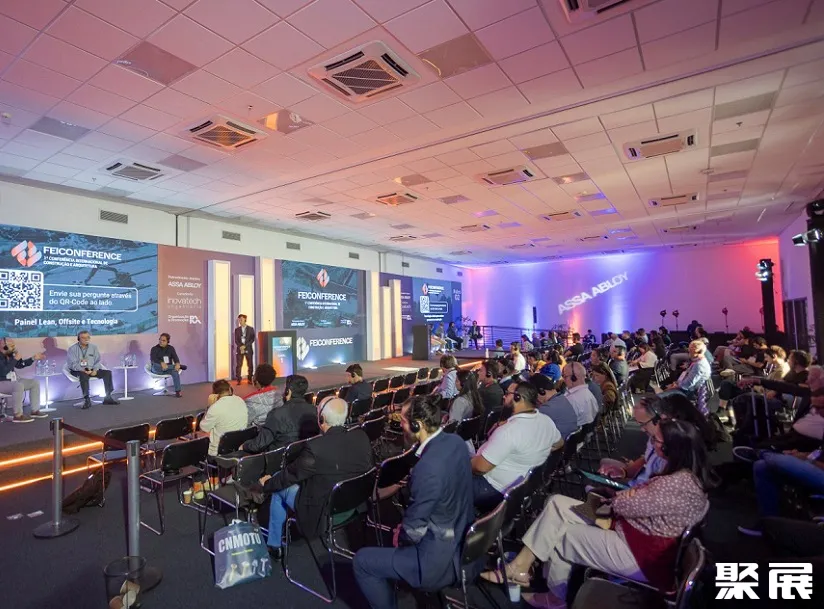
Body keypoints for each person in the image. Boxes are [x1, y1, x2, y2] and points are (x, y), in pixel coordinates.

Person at [481, 419, 711, 608]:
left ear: (671, 448)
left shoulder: (676, 484)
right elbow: (629, 502)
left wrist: (624, 497)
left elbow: (623, 506)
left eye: (655, 440)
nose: (651, 442)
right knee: (557, 503)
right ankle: (520, 568)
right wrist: (625, 496)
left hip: (639, 552)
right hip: (630, 530)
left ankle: (555, 598)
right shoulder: (684, 477)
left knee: (562, 535)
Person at [353, 394, 474, 609]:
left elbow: (413, 530)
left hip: (438, 559)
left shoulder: (427, 468)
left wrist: (402, 535)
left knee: (362, 562)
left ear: (417, 425)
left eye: (403, 421)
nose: (400, 425)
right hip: (465, 542)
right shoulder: (455, 442)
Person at [259, 397, 374, 559]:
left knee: (278, 485)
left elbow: (289, 476)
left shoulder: (315, 448)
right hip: (356, 504)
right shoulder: (361, 436)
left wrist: (266, 484)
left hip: (324, 512)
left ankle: (274, 545)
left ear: (321, 419)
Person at [471, 381, 561, 512]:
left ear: (518, 397)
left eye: (507, 394)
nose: (504, 396)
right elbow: (559, 444)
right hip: (520, 489)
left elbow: (480, 468)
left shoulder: (509, 431)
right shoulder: (546, 421)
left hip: (492, 490)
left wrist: (463, 464)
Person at [242, 374, 319, 453]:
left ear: (288, 391)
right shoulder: (315, 410)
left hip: (279, 458)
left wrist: (244, 446)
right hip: (305, 454)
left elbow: (259, 445)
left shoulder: (276, 415)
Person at [66, 330, 119, 409]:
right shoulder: (72, 349)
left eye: (88, 337)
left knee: (107, 373)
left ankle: (108, 397)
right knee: (83, 375)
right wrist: (83, 370)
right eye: (83, 338)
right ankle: (86, 399)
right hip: (77, 370)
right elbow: (73, 364)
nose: (86, 339)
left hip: (91, 369)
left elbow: (97, 361)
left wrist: (95, 370)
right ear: (78, 339)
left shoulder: (93, 347)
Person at [0, 337, 46, 423]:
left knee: (34, 383)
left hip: (12, 381)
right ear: (3, 345)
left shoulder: (10, 355)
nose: (13, 347)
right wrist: (15, 359)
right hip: (2, 382)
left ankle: (35, 411)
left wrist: (33, 358)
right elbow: (3, 371)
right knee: (18, 385)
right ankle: (18, 415)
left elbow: (20, 365)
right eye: (11, 345)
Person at [200, 380, 248, 457]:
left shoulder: (215, 408)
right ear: (229, 389)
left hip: (218, 453)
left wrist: (209, 407)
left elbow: (203, 428)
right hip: (238, 447)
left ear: (214, 394)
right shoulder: (240, 400)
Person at [531, 374, 578, 439]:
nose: (535, 399)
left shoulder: (547, 408)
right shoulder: (562, 399)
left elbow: (530, 428)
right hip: (569, 441)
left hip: (560, 443)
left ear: (542, 391)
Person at [562, 362, 599, 427]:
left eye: (565, 376)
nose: (563, 380)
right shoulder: (589, 394)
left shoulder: (572, 400)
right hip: (585, 431)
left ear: (574, 377)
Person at [149, 333, 184, 397]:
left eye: (163, 340)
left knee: (174, 371)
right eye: (160, 340)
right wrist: (161, 363)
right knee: (156, 365)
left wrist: (177, 363)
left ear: (168, 341)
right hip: (157, 369)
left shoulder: (171, 348)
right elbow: (153, 359)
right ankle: (176, 366)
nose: (161, 341)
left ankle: (178, 391)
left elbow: (175, 358)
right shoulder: (154, 348)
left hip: (167, 369)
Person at [234, 314, 256, 385]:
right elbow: (236, 340)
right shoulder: (237, 330)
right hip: (240, 349)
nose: (240, 321)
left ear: (245, 320)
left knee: (250, 365)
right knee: (239, 365)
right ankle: (238, 379)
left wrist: (245, 346)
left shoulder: (250, 329)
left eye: (241, 319)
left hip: (248, 349)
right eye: (239, 320)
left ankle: (249, 379)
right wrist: (241, 346)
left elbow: (252, 339)